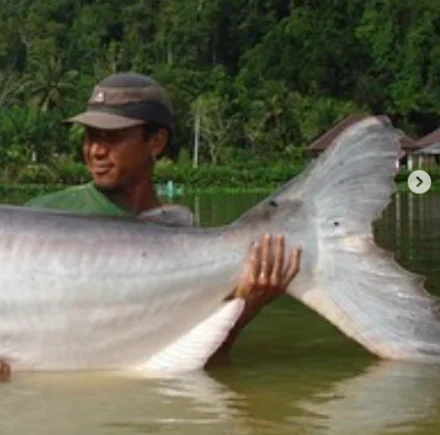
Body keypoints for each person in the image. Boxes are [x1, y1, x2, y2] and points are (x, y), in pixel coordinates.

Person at [27, 72, 302, 359]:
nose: (95, 150)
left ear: (155, 142)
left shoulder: (187, 244)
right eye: (90, 136)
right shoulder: (44, 215)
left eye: (112, 137)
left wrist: (247, 305)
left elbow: (198, 363)